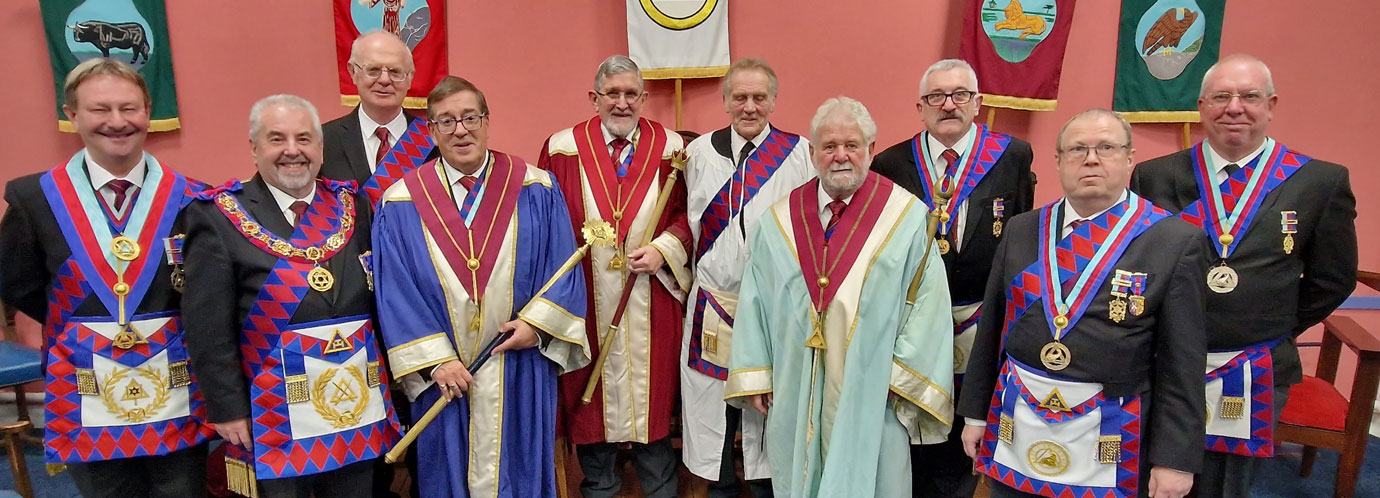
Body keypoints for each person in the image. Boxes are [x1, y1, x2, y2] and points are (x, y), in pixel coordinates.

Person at [1129, 54, 1357, 498]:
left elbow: (1334, 278)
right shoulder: (1154, 177)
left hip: (1252, 367)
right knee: (1148, 479)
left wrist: (1271, 324)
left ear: (1271, 104)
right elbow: (1137, 265)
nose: (1235, 107)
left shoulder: (1318, 182)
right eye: (1221, 96)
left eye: (1249, 96)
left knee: (1223, 487)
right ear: (1201, 106)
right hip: (1163, 361)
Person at [958, 109, 1206, 498]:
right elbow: (992, 329)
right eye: (1077, 149)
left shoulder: (1172, 241)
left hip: (1111, 432)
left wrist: (1175, 459)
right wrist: (975, 414)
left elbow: (1183, 361)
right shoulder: (1023, 228)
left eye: (1105, 147)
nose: (1091, 158)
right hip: (1018, 422)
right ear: (1057, 161)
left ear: (1129, 158)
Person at [0, 57, 213, 498]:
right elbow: (16, 280)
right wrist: (87, 324)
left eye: (129, 108)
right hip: (85, 384)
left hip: (175, 386)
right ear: (72, 114)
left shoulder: (195, 198)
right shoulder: (34, 196)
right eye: (100, 110)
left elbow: (206, 291)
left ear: (148, 111)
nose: (117, 122)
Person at [725, 96, 954, 498]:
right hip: (795, 382)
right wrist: (758, 372)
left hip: (872, 386)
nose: (841, 156)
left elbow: (928, 306)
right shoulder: (778, 220)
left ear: (872, 149)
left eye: (852, 145)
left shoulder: (907, 219)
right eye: (829, 147)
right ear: (813, 153)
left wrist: (901, 379)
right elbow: (755, 299)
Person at [372, 75, 590, 497]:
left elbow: (562, 268)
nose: (461, 130)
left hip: (520, 365)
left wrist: (538, 328)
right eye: (446, 121)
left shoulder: (535, 187)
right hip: (448, 377)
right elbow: (394, 292)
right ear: (432, 130)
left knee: (522, 466)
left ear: (487, 121)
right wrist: (436, 361)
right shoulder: (399, 203)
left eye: (470, 117)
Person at [181, 95, 400, 498]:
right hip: (271, 411)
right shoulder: (217, 215)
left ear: (320, 147)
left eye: (304, 138)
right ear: (254, 148)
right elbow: (207, 326)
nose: (292, 151)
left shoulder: (353, 205)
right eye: (276, 139)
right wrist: (227, 408)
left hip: (354, 402)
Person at [870, 58, 1035, 498]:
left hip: (982, 312)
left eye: (960, 95)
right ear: (920, 107)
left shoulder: (1012, 155)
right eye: (936, 97)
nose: (949, 105)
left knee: (972, 421)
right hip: (918, 319)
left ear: (977, 103)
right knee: (920, 413)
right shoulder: (891, 162)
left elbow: (1019, 237)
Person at [537, 55, 690, 498]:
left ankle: (661, 490)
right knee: (592, 405)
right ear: (594, 98)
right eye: (612, 94)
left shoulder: (673, 148)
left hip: (651, 297)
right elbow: (544, 219)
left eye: (630, 94)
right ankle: (599, 488)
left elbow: (689, 216)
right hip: (586, 296)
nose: (621, 104)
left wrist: (664, 251)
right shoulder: (562, 147)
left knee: (654, 413)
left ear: (644, 98)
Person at [680, 57, 815, 498]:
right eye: (740, 97)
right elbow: (685, 223)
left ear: (774, 101)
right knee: (711, 409)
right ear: (725, 101)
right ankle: (718, 488)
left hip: (774, 305)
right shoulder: (698, 153)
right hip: (712, 302)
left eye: (759, 97)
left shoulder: (800, 153)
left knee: (767, 405)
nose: (750, 106)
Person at [321, 31, 437, 204]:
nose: (384, 80)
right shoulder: (322, 141)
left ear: (410, 78)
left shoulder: (436, 141)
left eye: (395, 71)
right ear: (353, 72)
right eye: (373, 70)